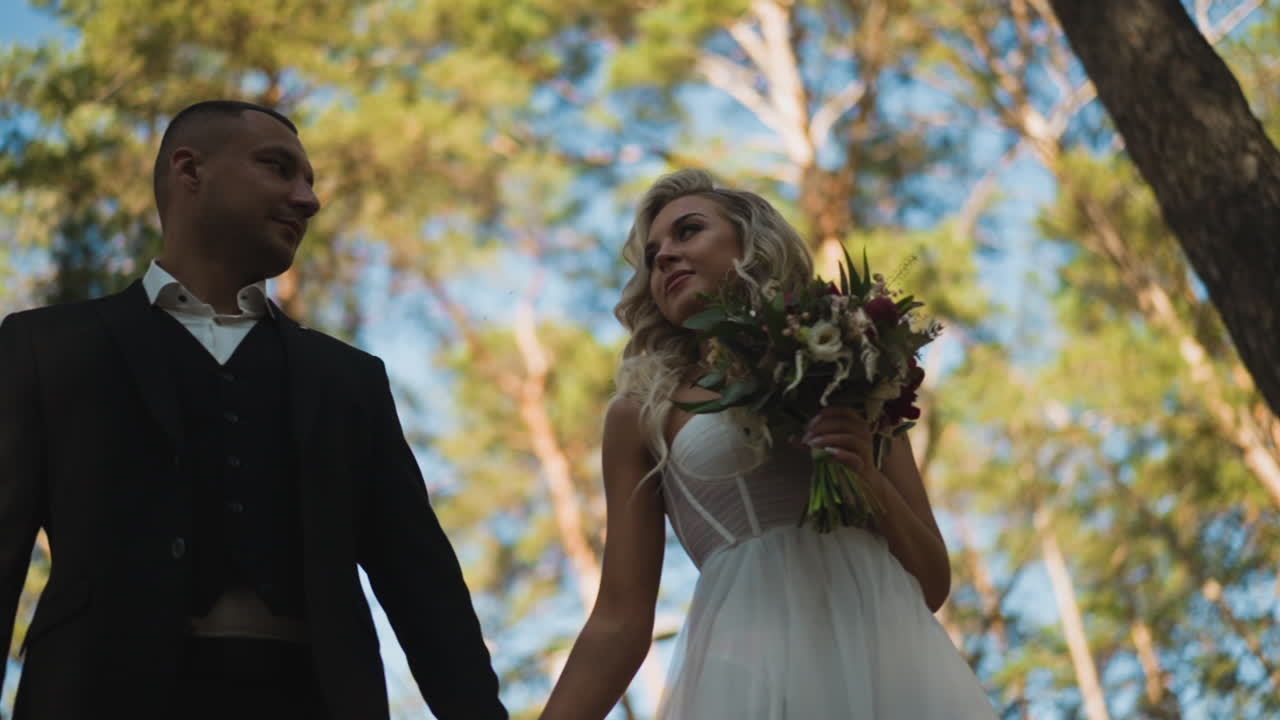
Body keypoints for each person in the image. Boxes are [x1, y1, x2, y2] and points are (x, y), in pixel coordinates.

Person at [0, 100, 507, 720]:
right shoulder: (44, 347)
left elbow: (422, 586)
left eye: (310, 182)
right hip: (93, 697)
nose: (308, 200)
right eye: (280, 169)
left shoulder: (350, 379)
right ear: (190, 172)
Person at [540, 169, 997, 719]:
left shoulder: (855, 362)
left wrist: (866, 476)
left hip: (890, 665)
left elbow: (929, 582)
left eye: (687, 231)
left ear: (750, 240)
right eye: (652, 254)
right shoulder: (641, 412)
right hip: (748, 678)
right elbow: (619, 620)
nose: (663, 257)